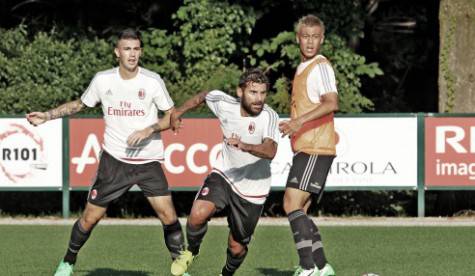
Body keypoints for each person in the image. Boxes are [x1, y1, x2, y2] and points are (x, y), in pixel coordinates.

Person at [26, 29, 184, 276]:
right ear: (117, 52)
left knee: (169, 215)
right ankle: (68, 261)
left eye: (136, 49)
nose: (132, 54)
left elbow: (172, 116)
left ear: (140, 52)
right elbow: (80, 104)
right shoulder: (103, 80)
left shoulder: (152, 81)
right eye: (127, 49)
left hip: (148, 161)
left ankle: (180, 267)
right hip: (114, 161)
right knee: (89, 218)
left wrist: (149, 129)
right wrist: (47, 115)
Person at [169, 68, 279, 276]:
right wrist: (178, 112)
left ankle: (226, 274)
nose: (259, 99)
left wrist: (245, 145)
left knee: (236, 247)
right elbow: (203, 96)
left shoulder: (269, 116)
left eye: (263, 93)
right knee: (197, 215)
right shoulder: (225, 104)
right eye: (253, 92)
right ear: (240, 92)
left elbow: (271, 150)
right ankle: (191, 252)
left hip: (252, 190)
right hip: (225, 174)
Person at [278, 15, 339, 276]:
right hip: (306, 146)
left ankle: (308, 268)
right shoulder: (304, 67)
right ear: (298, 38)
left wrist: (298, 122)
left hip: (316, 146)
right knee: (300, 209)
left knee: (290, 203)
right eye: (306, 36)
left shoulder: (320, 67)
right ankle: (322, 267)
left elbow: (331, 102)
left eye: (316, 36)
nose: (311, 41)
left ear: (322, 39)